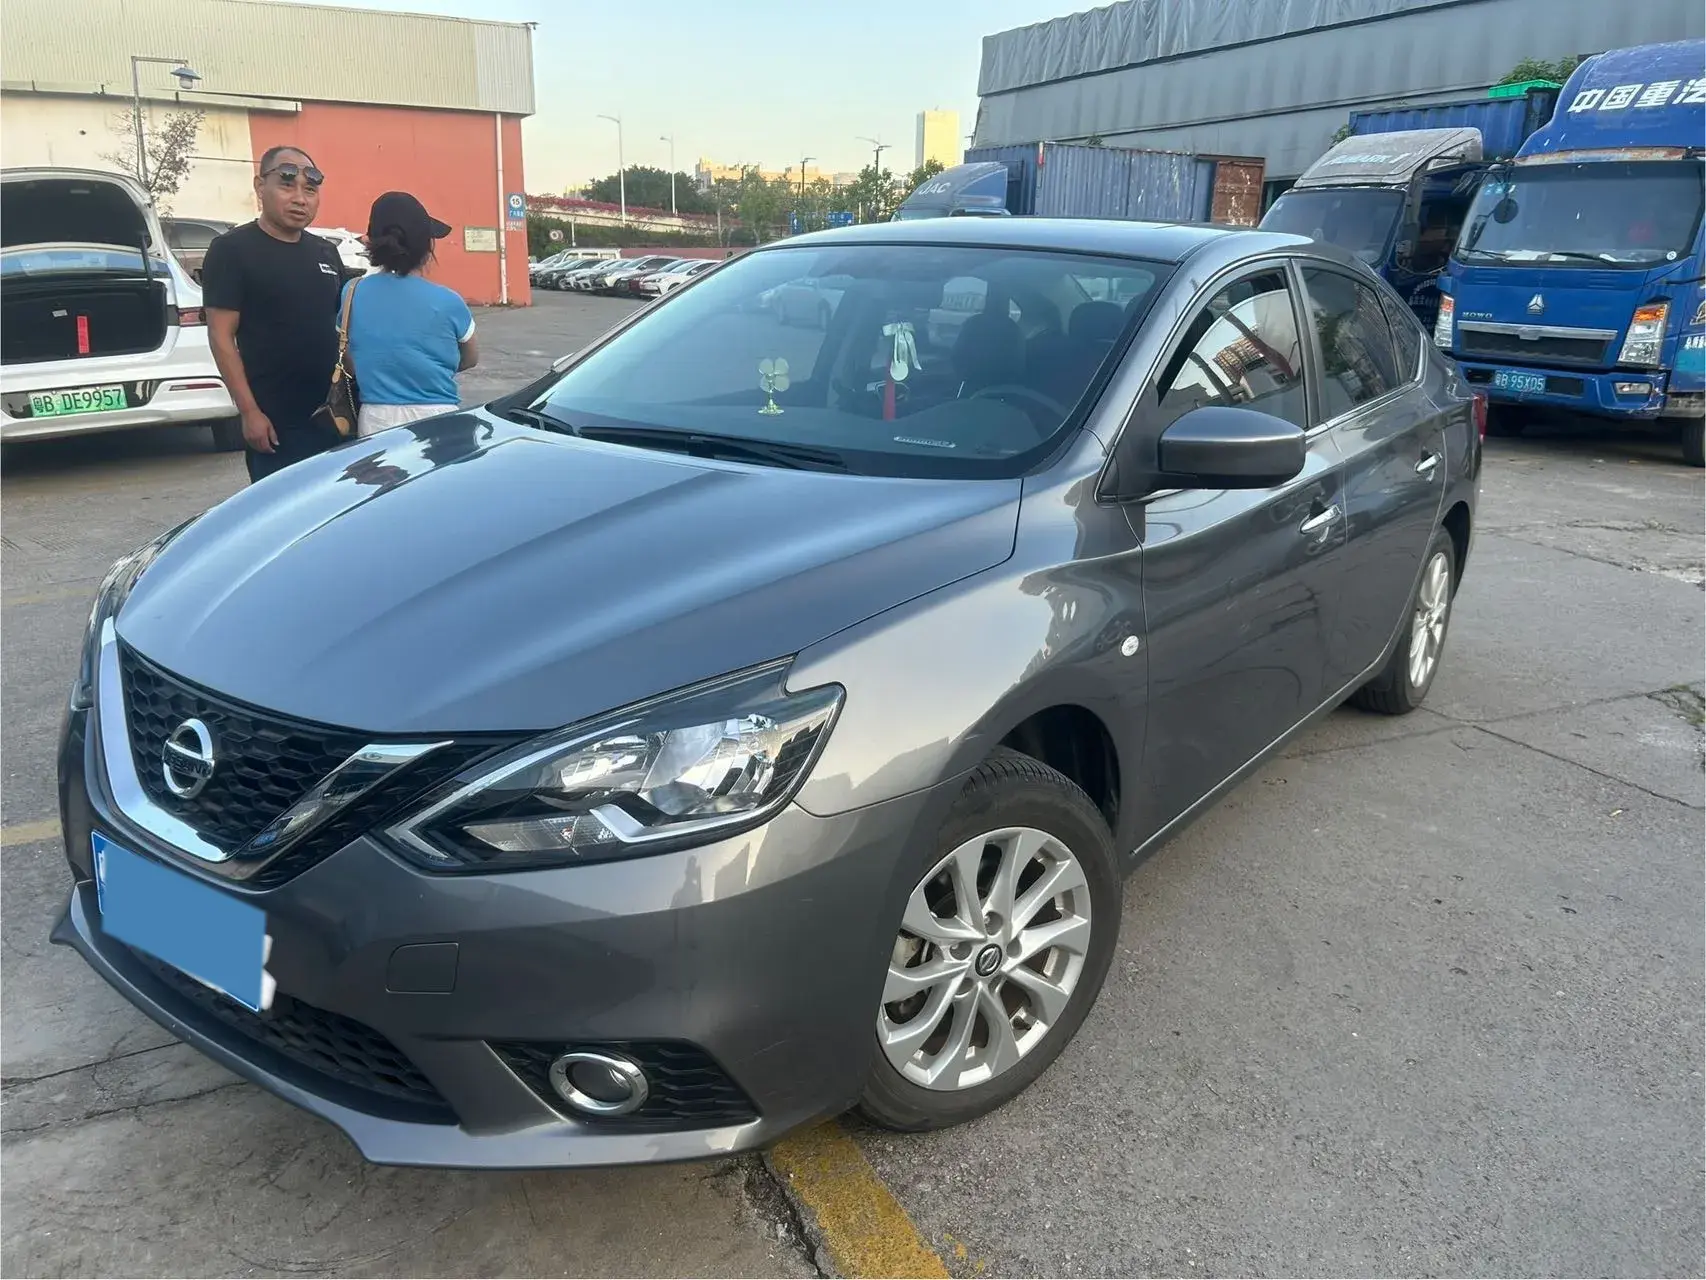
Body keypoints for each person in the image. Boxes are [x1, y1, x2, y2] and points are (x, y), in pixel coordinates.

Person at [202, 146, 346, 483]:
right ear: (259, 186)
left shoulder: (326, 251)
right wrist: (249, 412)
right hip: (276, 425)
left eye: (309, 190)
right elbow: (221, 336)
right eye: (286, 185)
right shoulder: (232, 251)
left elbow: (343, 330)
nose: (300, 198)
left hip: (334, 418)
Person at [344, 191, 478, 436]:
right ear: (426, 246)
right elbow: (470, 358)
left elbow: (348, 359)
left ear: (371, 242)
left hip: (374, 417)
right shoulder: (449, 301)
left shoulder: (352, 292)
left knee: (377, 475)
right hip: (438, 417)